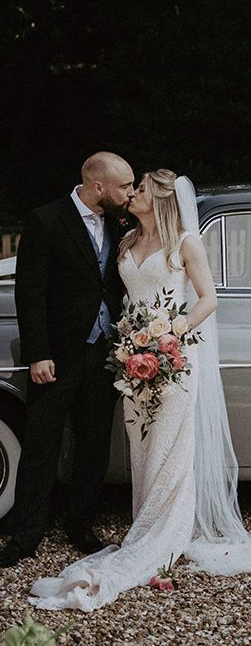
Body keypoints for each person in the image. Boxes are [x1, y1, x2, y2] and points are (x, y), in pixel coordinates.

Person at [27, 169, 251, 611]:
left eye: (138, 189)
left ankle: (164, 537)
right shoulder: (125, 241)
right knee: (143, 447)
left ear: (158, 198)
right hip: (133, 359)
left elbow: (208, 298)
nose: (131, 194)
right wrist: (131, 342)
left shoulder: (185, 244)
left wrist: (172, 333)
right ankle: (145, 523)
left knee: (171, 447)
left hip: (174, 357)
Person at [0, 152, 134, 568]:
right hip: (56, 356)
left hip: (103, 353)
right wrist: (39, 353)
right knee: (41, 445)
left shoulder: (119, 221)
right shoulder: (46, 219)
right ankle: (25, 535)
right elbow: (31, 291)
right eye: (124, 186)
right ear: (99, 187)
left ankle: (81, 527)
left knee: (92, 446)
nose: (130, 193)